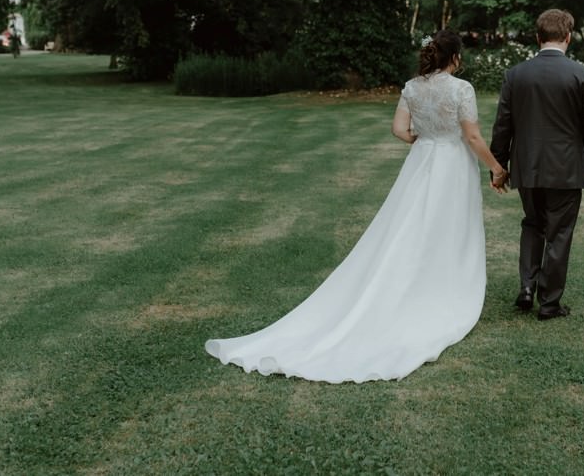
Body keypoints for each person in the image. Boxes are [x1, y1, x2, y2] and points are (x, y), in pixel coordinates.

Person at [206, 30, 507, 383]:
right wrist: (497, 167)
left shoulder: (412, 87)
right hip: (452, 164)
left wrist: (422, 138)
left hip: (422, 160)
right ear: (454, 57)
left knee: (409, 225)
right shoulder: (461, 89)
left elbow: (399, 129)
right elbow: (471, 136)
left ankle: (417, 281)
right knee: (449, 227)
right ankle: (443, 288)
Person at [490, 9, 584, 321]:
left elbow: (503, 125)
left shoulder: (515, 75)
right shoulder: (581, 75)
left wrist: (498, 165)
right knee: (559, 232)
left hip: (527, 167)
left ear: (537, 37)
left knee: (532, 223)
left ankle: (527, 288)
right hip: (566, 170)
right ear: (568, 37)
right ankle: (549, 303)